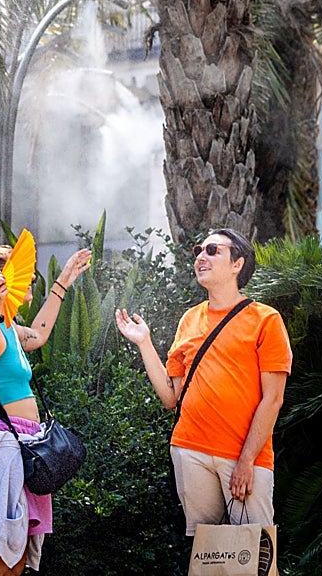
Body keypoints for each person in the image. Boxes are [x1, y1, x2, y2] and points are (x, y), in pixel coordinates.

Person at [115, 228, 292, 536]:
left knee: (258, 556)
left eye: (212, 251)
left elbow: (273, 399)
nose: (200, 257)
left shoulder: (266, 320)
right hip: (190, 450)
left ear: (237, 264)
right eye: (198, 251)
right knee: (209, 556)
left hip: (244, 456)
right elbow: (172, 398)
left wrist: (246, 460)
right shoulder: (189, 319)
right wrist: (144, 343)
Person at [0, 241, 93, 576]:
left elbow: (41, 334)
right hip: (4, 446)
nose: (30, 282)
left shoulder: (9, 329)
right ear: (2, 282)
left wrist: (62, 282)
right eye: (24, 277)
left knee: (16, 563)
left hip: (27, 449)